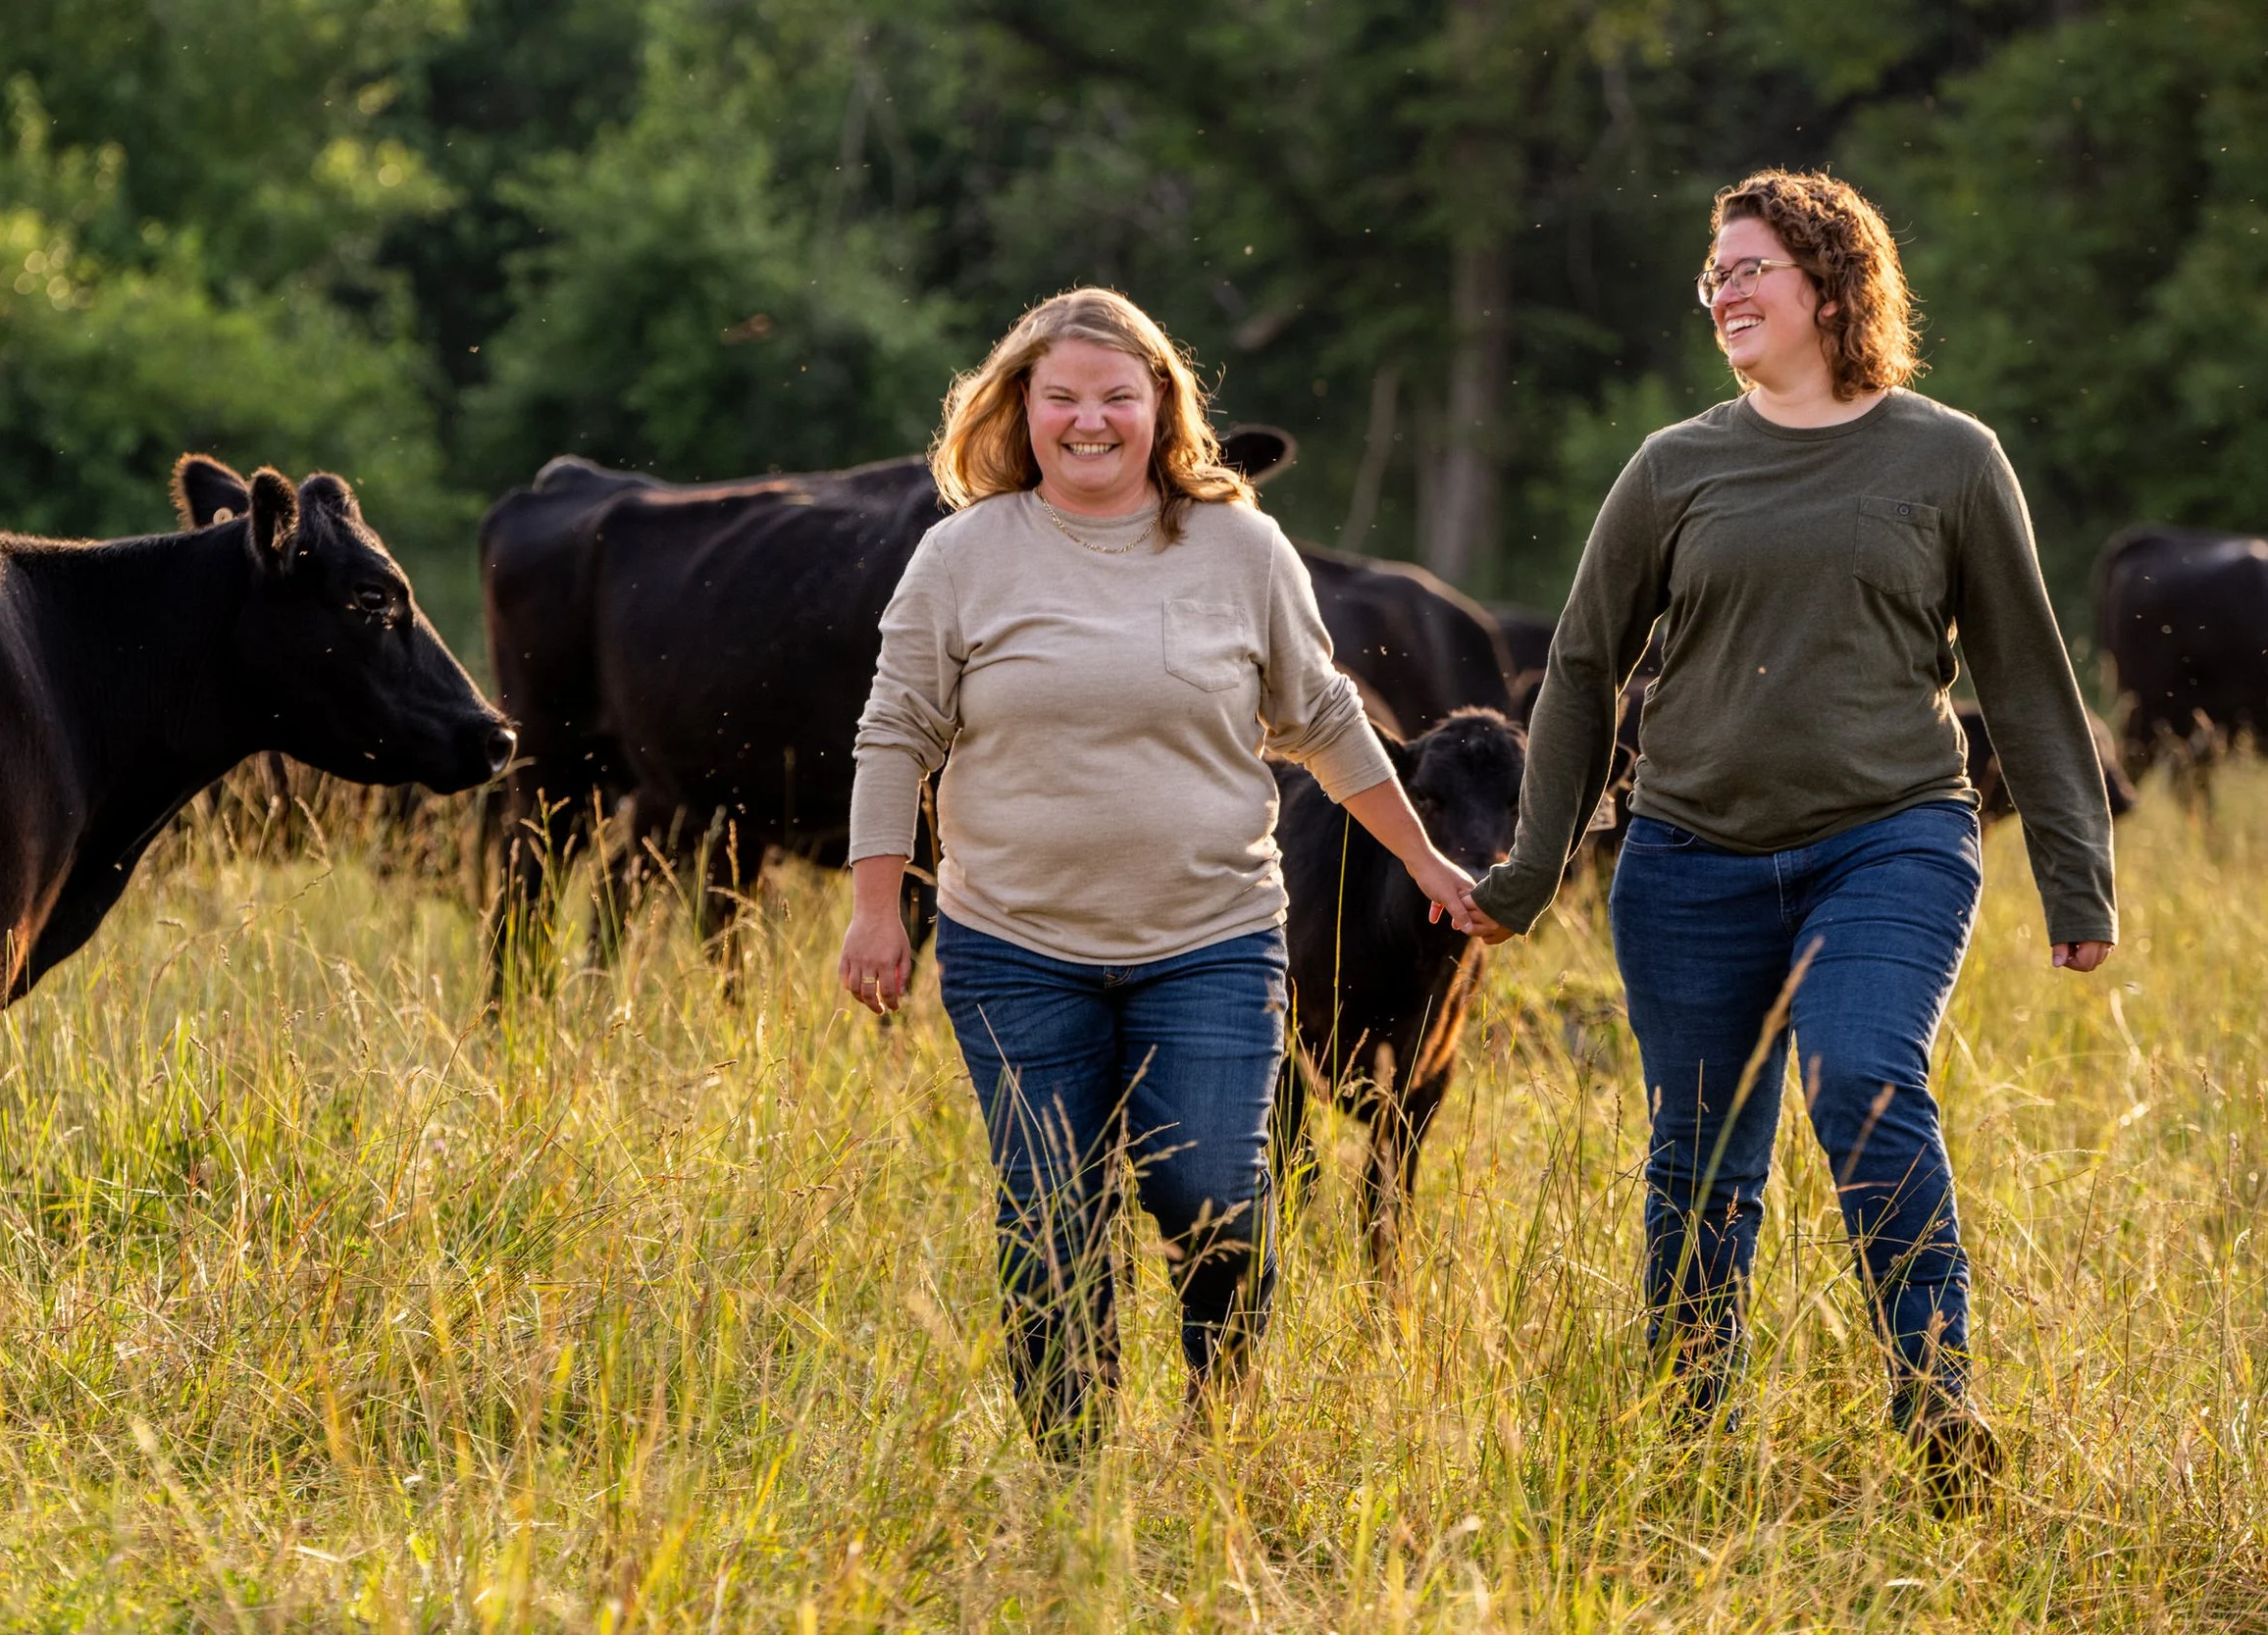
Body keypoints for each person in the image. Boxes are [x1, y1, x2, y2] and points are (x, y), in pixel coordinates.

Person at [1450, 171, 2116, 1505]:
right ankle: (1692, 1440)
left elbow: (2029, 679)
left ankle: (1938, 1399)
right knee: (1699, 1163)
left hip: (1892, 836)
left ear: (1833, 282)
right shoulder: (1676, 464)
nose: (1725, 294)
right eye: (1715, 276)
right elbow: (1582, 667)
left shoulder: (1949, 458)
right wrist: (1528, 867)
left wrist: (2074, 869)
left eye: (1751, 267)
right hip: (1686, 856)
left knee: (1866, 1075)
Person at [840, 287, 1472, 1458]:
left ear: (1161, 407)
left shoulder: (1237, 545)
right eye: (1062, 396)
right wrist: (877, 906)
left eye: (1116, 397)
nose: (1090, 421)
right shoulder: (962, 555)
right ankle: (1072, 1475)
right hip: (1014, 945)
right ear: (1019, 407)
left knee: (1214, 1201)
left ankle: (1212, 1430)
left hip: (1213, 940)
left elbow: (1324, 716)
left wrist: (1426, 859)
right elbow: (895, 731)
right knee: (1051, 1214)